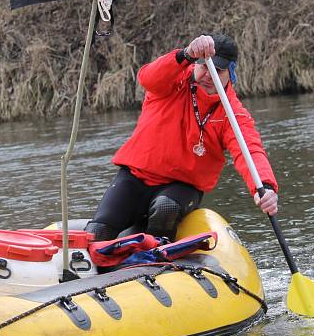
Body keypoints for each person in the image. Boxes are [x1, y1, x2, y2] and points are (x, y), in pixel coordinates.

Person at [85, 33, 279, 242]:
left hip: (181, 187)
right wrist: (185, 54)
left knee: (164, 208)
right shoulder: (171, 81)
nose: (208, 74)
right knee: (97, 231)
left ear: (230, 73)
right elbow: (147, 77)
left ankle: (159, 262)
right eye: (204, 66)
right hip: (135, 177)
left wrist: (264, 187)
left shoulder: (233, 113)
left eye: (218, 70)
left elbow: (249, 151)